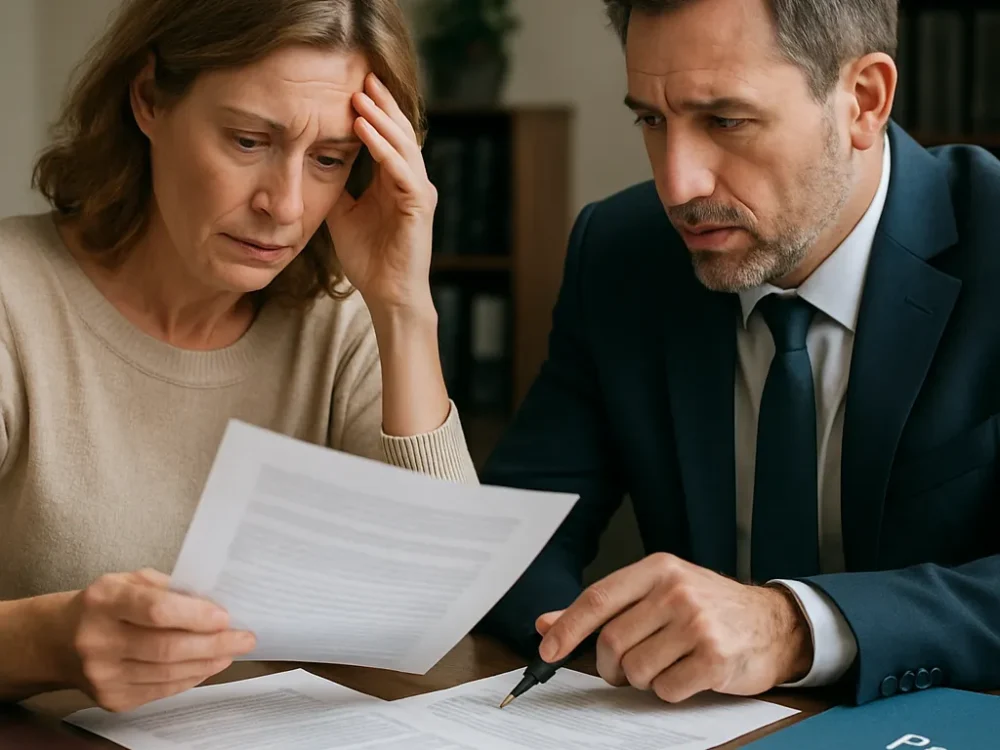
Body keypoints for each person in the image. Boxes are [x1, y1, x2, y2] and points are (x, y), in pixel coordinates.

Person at [479, 0, 1000, 706]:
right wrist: (604, 641)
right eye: (651, 120)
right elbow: (515, 538)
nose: (678, 185)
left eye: (725, 121)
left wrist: (794, 627)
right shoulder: (621, 254)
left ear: (863, 101)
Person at [0, 0, 477, 710]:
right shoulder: (14, 300)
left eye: (329, 160)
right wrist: (48, 642)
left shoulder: (344, 319)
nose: (284, 205)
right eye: (249, 141)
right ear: (148, 99)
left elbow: (442, 623)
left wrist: (404, 308)